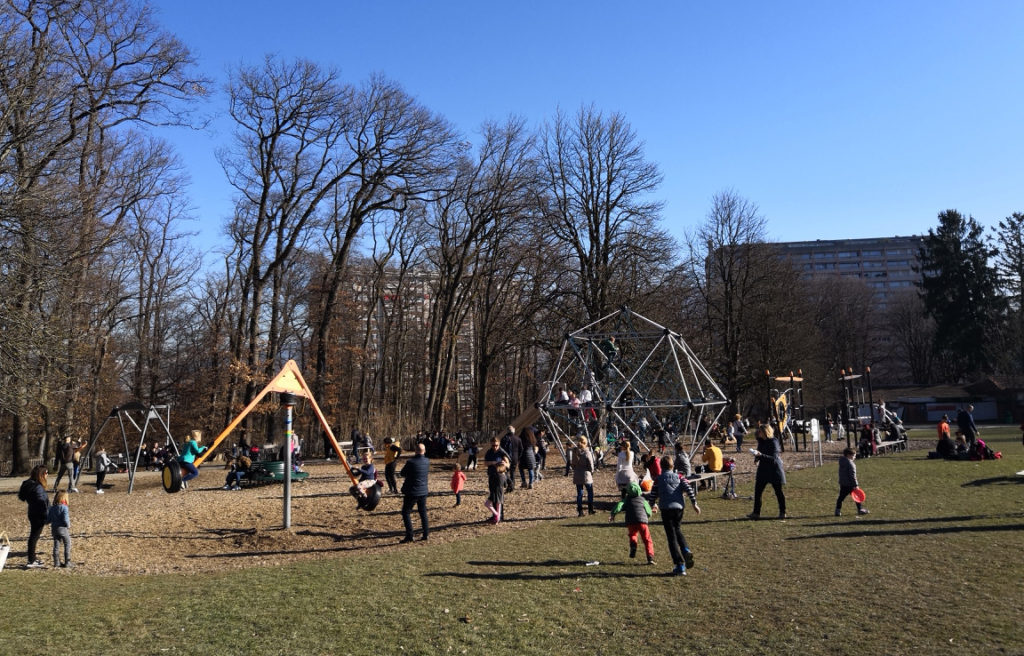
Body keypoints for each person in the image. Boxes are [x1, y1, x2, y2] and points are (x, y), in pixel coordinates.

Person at [652, 455, 700, 576]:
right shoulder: (679, 477)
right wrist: (694, 503)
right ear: (672, 465)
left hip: (666, 509)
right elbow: (689, 489)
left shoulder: (658, 479)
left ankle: (679, 565)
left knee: (671, 537)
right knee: (677, 529)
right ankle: (685, 549)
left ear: (661, 466)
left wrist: (652, 505)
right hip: (679, 508)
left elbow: (653, 494)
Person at [610, 481, 656, 565]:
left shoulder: (626, 500)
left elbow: (619, 506)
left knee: (633, 535)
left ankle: (633, 545)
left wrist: (613, 514)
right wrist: (648, 515)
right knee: (647, 539)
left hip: (631, 521)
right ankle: (650, 556)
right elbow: (648, 510)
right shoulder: (643, 500)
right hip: (642, 522)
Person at [748, 423, 787, 520]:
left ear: (765, 432)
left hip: (774, 469)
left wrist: (760, 455)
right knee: (758, 492)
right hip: (763, 470)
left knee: (778, 492)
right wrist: (756, 458)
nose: (758, 433)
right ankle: (756, 513)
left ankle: (783, 512)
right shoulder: (761, 441)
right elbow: (760, 453)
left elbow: (773, 458)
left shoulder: (774, 442)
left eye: (760, 431)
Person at [19, 465, 51, 568]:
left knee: (33, 536)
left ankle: (32, 558)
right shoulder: (37, 487)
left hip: (32, 512)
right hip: (39, 514)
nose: (47, 475)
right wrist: (47, 516)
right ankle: (31, 560)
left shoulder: (29, 484)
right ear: (41, 474)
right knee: (34, 537)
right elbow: (41, 502)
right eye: (46, 473)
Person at [399, 443, 430, 543]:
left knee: (406, 512)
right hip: (423, 490)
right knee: (423, 512)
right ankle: (426, 534)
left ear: (415, 451)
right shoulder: (427, 461)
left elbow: (402, 473)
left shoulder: (411, 462)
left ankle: (410, 535)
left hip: (412, 491)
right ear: (424, 451)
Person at [835, 447, 869, 516]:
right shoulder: (851, 464)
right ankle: (860, 509)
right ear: (848, 455)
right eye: (854, 455)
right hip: (850, 485)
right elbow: (853, 476)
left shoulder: (842, 461)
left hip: (843, 484)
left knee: (841, 498)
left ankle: (837, 511)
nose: (855, 457)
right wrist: (856, 485)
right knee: (857, 497)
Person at [483, 436, 510, 523]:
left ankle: (500, 515)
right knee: (493, 496)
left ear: (499, 444)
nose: (494, 447)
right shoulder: (489, 452)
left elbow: (508, 464)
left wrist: (504, 464)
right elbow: (485, 463)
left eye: (496, 445)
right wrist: (492, 462)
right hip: (491, 475)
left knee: (498, 496)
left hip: (500, 476)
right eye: (493, 445)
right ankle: (494, 515)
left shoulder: (502, 452)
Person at [571, 435, 596, 517]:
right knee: (590, 492)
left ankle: (580, 511)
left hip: (577, 474)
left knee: (579, 493)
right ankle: (590, 509)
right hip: (586, 474)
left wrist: (576, 469)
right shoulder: (587, 452)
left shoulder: (575, 452)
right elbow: (591, 464)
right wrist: (591, 471)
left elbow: (573, 464)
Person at [47, 489, 72, 568]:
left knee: (56, 545)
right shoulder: (64, 508)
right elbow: (65, 518)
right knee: (67, 543)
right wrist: (68, 525)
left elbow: (48, 519)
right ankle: (67, 562)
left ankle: (56, 562)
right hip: (62, 528)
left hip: (54, 528)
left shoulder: (52, 508)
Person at [500, 425, 522, 494]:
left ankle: (509, 484)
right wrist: (518, 457)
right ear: (514, 431)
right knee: (512, 472)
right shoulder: (518, 439)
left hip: (506, 458)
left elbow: (501, 449)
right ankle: (512, 485)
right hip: (515, 457)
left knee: (505, 472)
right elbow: (521, 449)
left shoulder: (504, 439)